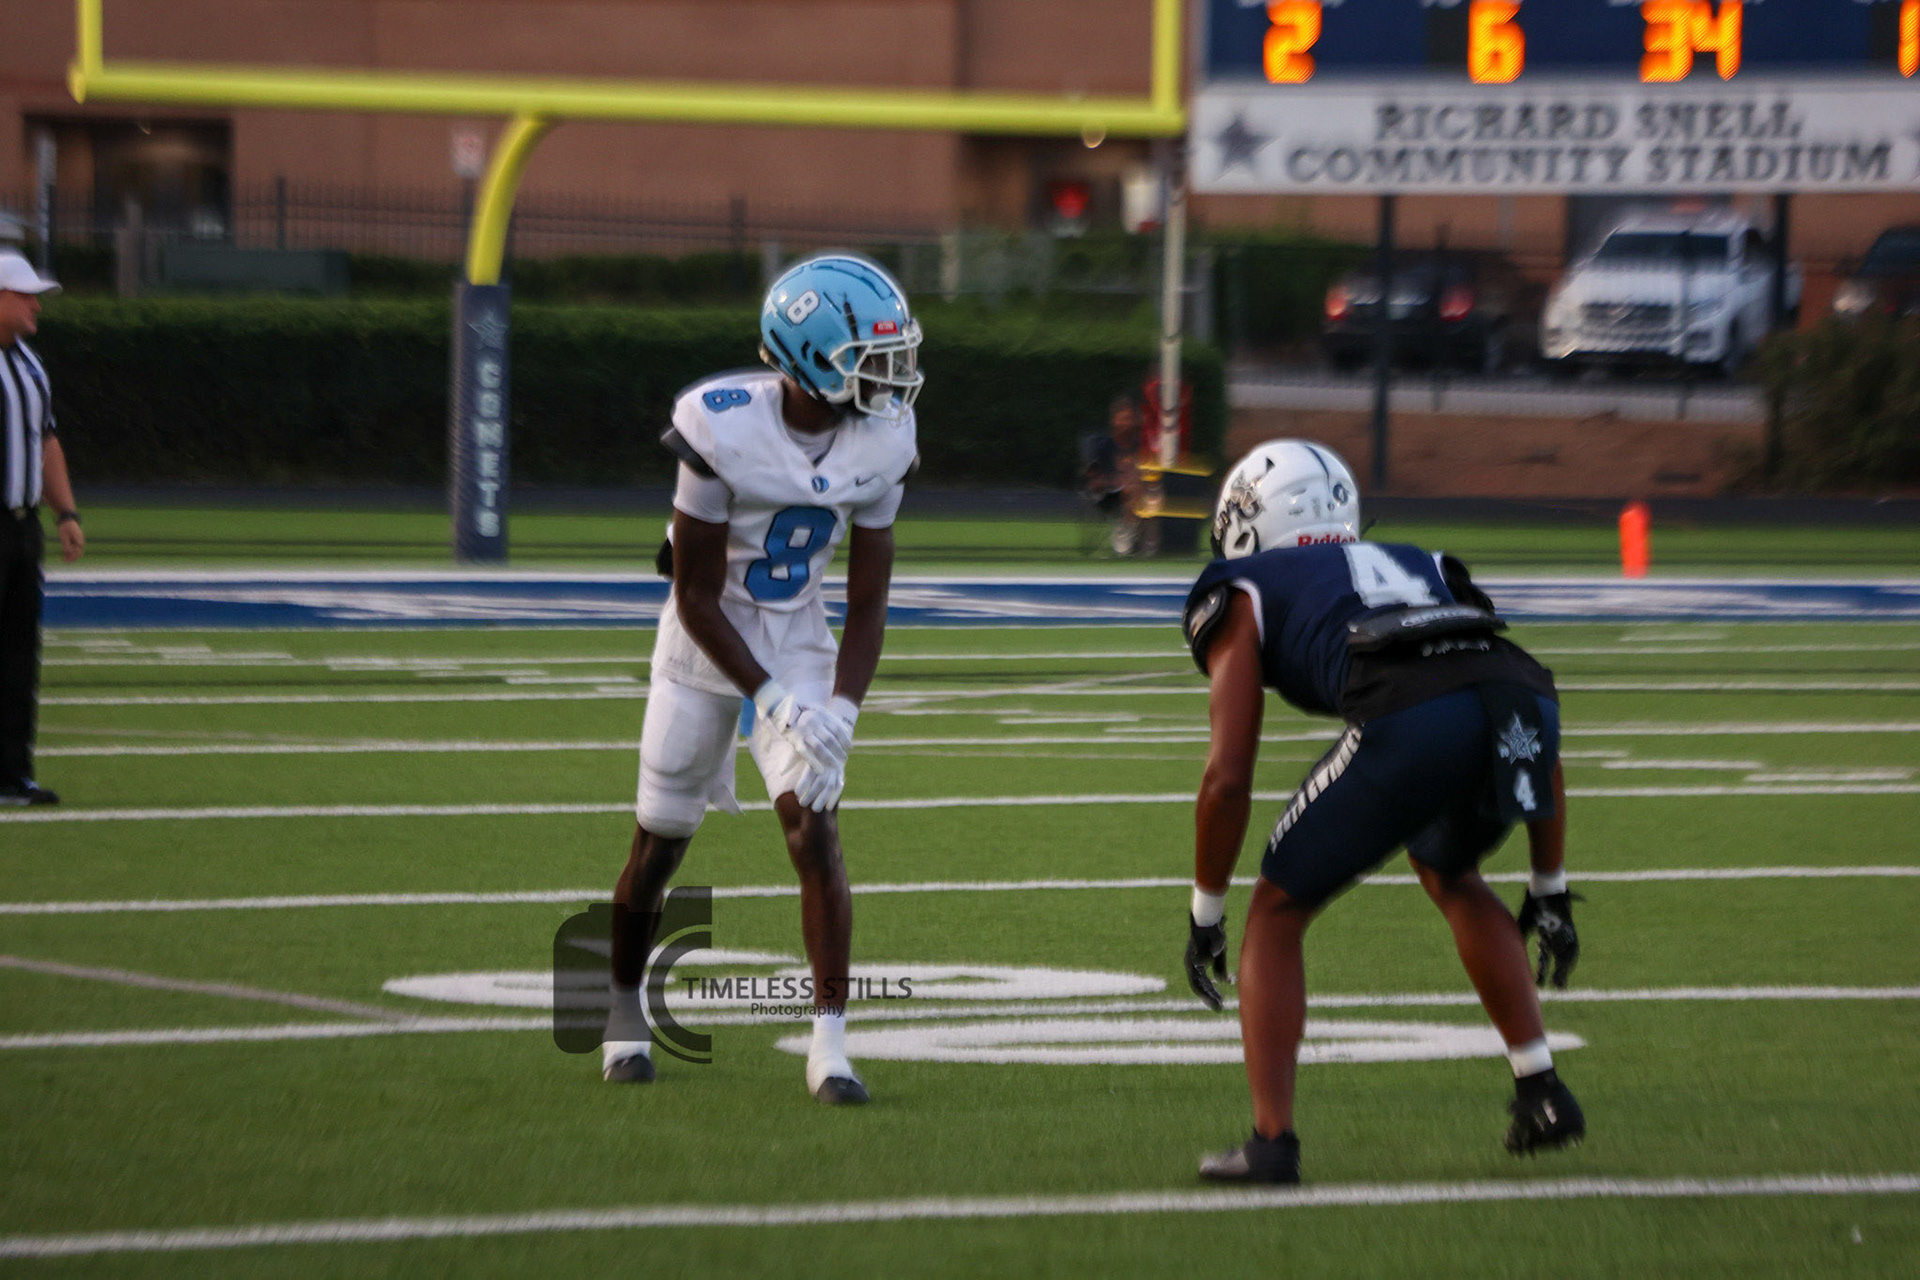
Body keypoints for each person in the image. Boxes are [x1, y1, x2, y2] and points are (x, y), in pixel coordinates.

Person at [1178, 439, 1582, 1184]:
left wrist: (1206, 910)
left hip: (1412, 713)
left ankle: (1272, 1143)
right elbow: (1507, 690)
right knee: (1450, 871)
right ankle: (1542, 1090)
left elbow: (1228, 776)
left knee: (1275, 910)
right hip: (1524, 701)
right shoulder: (1428, 562)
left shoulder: (1241, 584)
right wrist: (1548, 884)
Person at [603, 254, 921, 1104]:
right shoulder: (720, 428)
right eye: (869, 358)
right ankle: (623, 1011)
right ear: (811, 358)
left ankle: (830, 1048)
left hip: (798, 636)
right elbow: (695, 597)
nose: (890, 376)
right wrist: (771, 702)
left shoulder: (885, 440)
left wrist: (841, 708)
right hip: (702, 644)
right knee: (659, 844)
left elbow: (869, 599)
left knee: (814, 828)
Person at [1, 252, 84, 806]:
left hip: (21, 526)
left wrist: (66, 512)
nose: (36, 305)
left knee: (17, 656)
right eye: (25, 295)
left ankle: (11, 774)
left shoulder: (29, 364)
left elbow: (46, 440)